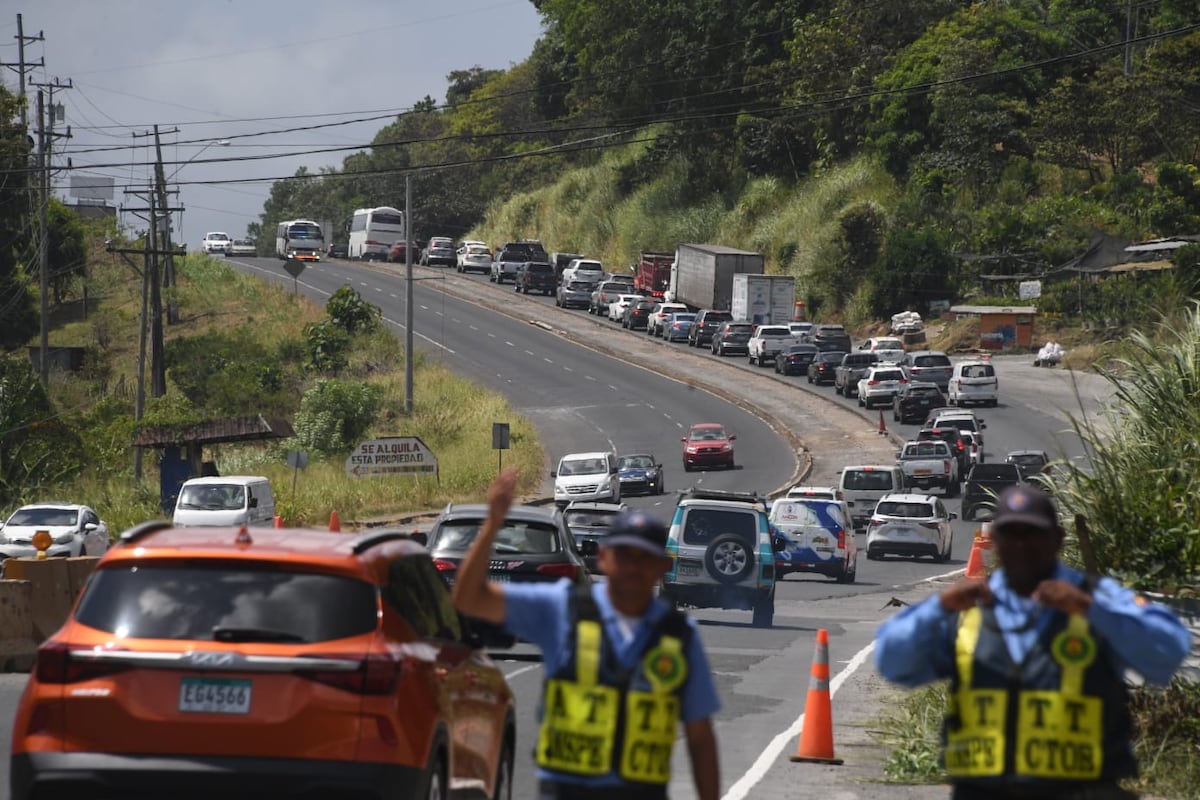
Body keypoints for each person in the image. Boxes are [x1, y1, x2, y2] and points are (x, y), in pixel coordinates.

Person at [874, 484, 1191, 800]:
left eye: (1032, 533)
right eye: (1011, 534)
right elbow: (892, 661)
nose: (1021, 544)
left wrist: (1089, 609)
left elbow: (1169, 650)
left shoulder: (1094, 598)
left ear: (1057, 540)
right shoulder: (968, 607)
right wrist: (939, 607)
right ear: (994, 541)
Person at [452, 468, 721, 800]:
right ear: (604, 558)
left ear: (662, 568)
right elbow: (468, 598)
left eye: (644, 558)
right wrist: (492, 525)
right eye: (624, 555)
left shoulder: (680, 636)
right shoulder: (561, 609)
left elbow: (700, 736)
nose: (633, 567)